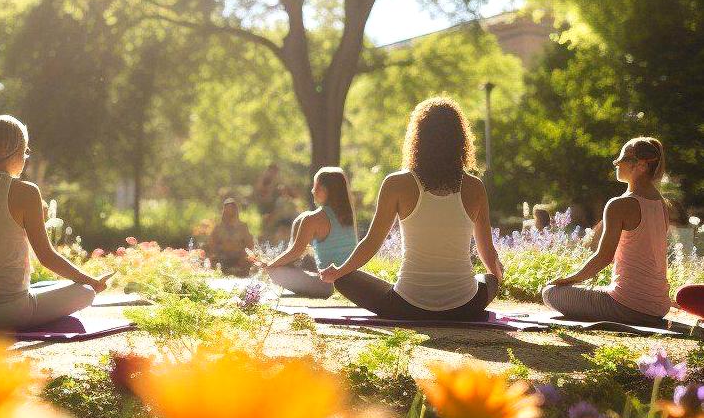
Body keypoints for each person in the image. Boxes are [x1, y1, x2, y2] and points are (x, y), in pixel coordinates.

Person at [320, 97, 503, 319]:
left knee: (344, 279)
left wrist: (339, 272)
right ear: (460, 140)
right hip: (464, 307)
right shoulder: (475, 187)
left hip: (406, 306)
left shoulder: (396, 184)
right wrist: (498, 277)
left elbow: (371, 243)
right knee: (490, 280)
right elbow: (487, 252)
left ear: (418, 138)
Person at [0, 115, 113, 330]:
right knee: (85, 292)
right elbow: (47, 257)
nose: (25, 158)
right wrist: (91, 281)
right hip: (11, 313)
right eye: (25, 151)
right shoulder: (27, 192)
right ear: (15, 151)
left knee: (47, 286)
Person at [542, 137, 672, 325]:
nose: (616, 162)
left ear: (641, 165)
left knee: (550, 293)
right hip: (659, 307)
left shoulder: (619, 204)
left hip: (626, 306)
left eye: (622, 158)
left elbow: (603, 257)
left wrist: (569, 280)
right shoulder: (662, 204)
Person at [256, 168, 358, 298]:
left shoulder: (313, 219)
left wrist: (270, 266)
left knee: (276, 272)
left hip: (326, 286)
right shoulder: (348, 216)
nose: (312, 191)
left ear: (324, 190)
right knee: (307, 261)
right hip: (353, 283)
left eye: (315, 186)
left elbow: (295, 251)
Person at [205, 199, 256, 276]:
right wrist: (214, 255)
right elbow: (212, 245)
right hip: (222, 258)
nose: (230, 211)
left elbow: (250, 244)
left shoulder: (243, 227)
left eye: (232, 209)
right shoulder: (218, 228)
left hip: (239, 258)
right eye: (227, 209)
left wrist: (244, 255)